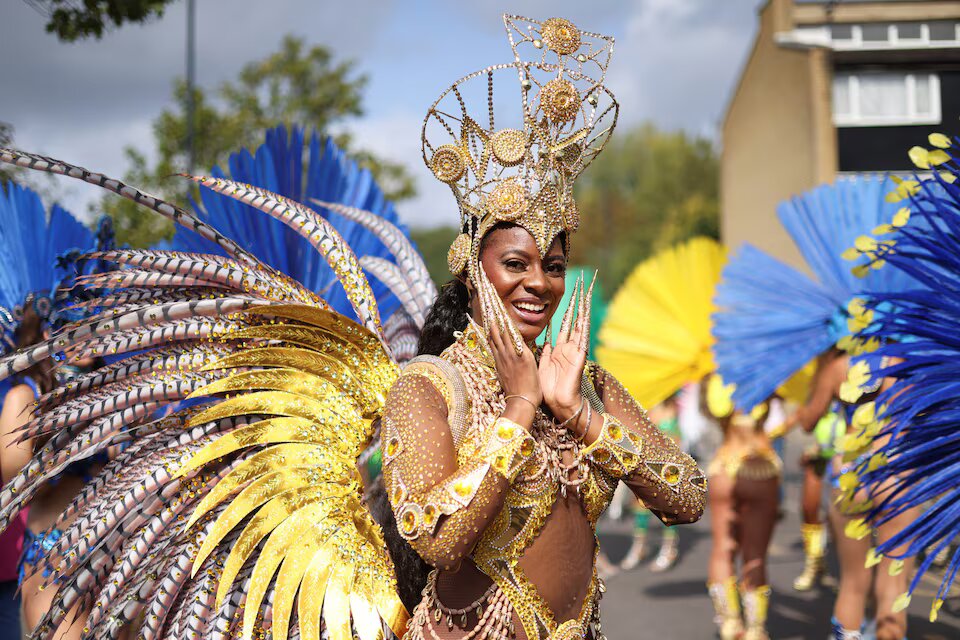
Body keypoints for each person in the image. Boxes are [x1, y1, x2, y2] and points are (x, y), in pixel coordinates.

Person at [704, 376, 781, 640]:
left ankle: (729, 623)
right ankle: (755, 628)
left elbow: (715, 412)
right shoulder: (765, 371)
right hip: (759, 469)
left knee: (722, 548)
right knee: (755, 554)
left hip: (723, 467)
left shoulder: (715, 377)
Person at [619, 393, 683, 572]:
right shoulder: (644, 400)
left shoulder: (671, 407)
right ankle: (639, 547)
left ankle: (669, 548)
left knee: (667, 505)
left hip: (666, 464)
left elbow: (675, 442)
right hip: (644, 462)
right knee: (641, 505)